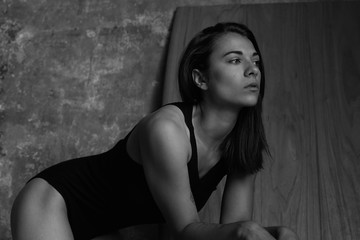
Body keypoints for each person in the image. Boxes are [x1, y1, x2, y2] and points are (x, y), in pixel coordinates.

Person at [11, 22, 299, 240]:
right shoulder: (167, 130)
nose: (253, 70)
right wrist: (245, 231)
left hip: (114, 228)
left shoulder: (243, 142)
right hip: (54, 202)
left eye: (256, 61)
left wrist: (274, 232)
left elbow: (232, 230)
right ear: (200, 78)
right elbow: (186, 231)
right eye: (236, 60)